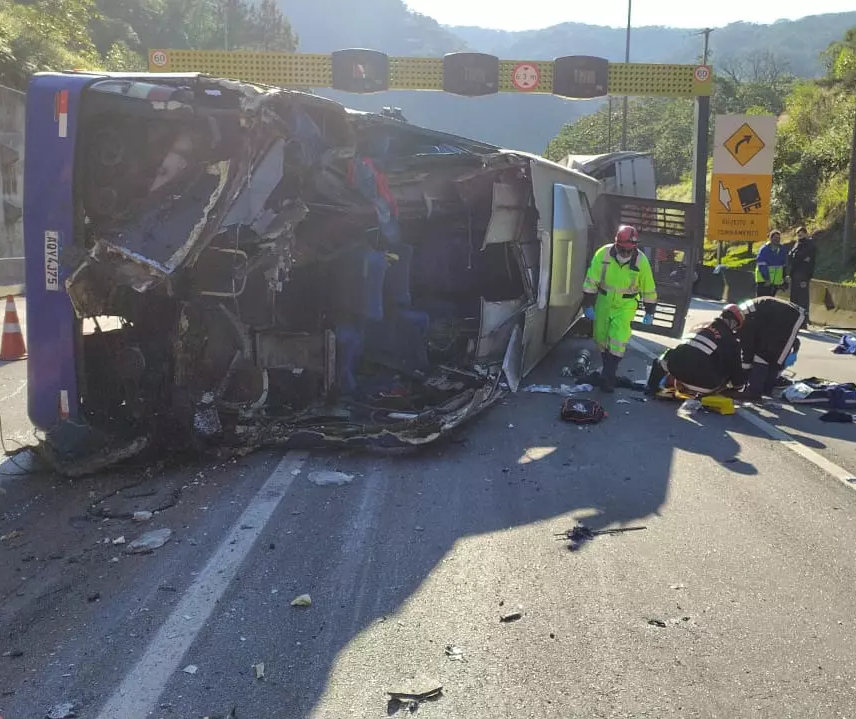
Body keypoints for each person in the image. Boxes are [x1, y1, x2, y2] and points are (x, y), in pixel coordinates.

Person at [582, 225, 657, 393]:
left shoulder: (641, 261)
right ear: (617, 244)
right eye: (624, 249)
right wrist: (587, 303)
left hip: (626, 304)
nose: (627, 253)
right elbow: (591, 279)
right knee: (600, 337)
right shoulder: (603, 254)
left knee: (617, 339)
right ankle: (607, 373)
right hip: (604, 300)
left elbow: (648, 287)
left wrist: (650, 310)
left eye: (630, 250)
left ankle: (608, 377)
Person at [646, 304, 746, 397]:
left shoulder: (699, 326)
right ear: (734, 323)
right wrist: (739, 386)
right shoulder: (731, 341)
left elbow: (684, 351)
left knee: (665, 356)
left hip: (677, 373)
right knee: (726, 367)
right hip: (705, 386)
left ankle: (652, 388)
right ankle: (702, 392)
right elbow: (736, 372)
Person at [735, 296, 805, 399]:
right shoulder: (744, 313)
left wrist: (744, 372)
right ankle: (763, 389)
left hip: (793, 315)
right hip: (780, 316)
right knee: (766, 352)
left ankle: (760, 390)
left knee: (771, 356)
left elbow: (747, 349)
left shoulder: (746, 321)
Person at [788, 226, 816, 325]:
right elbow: (791, 256)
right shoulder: (797, 244)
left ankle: (804, 320)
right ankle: (793, 318)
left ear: (806, 233)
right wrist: (798, 258)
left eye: (801, 234)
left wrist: (798, 257)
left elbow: (805, 256)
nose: (799, 236)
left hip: (804, 274)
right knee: (794, 298)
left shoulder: (810, 244)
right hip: (795, 274)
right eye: (798, 234)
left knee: (803, 298)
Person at [755, 230, 788, 297]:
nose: (777, 239)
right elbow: (762, 265)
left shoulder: (782, 249)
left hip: (775, 283)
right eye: (775, 238)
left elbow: (783, 266)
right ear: (770, 238)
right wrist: (767, 279)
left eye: (778, 238)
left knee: (771, 303)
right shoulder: (764, 249)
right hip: (764, 282)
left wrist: (784, 280)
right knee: (762, 301)